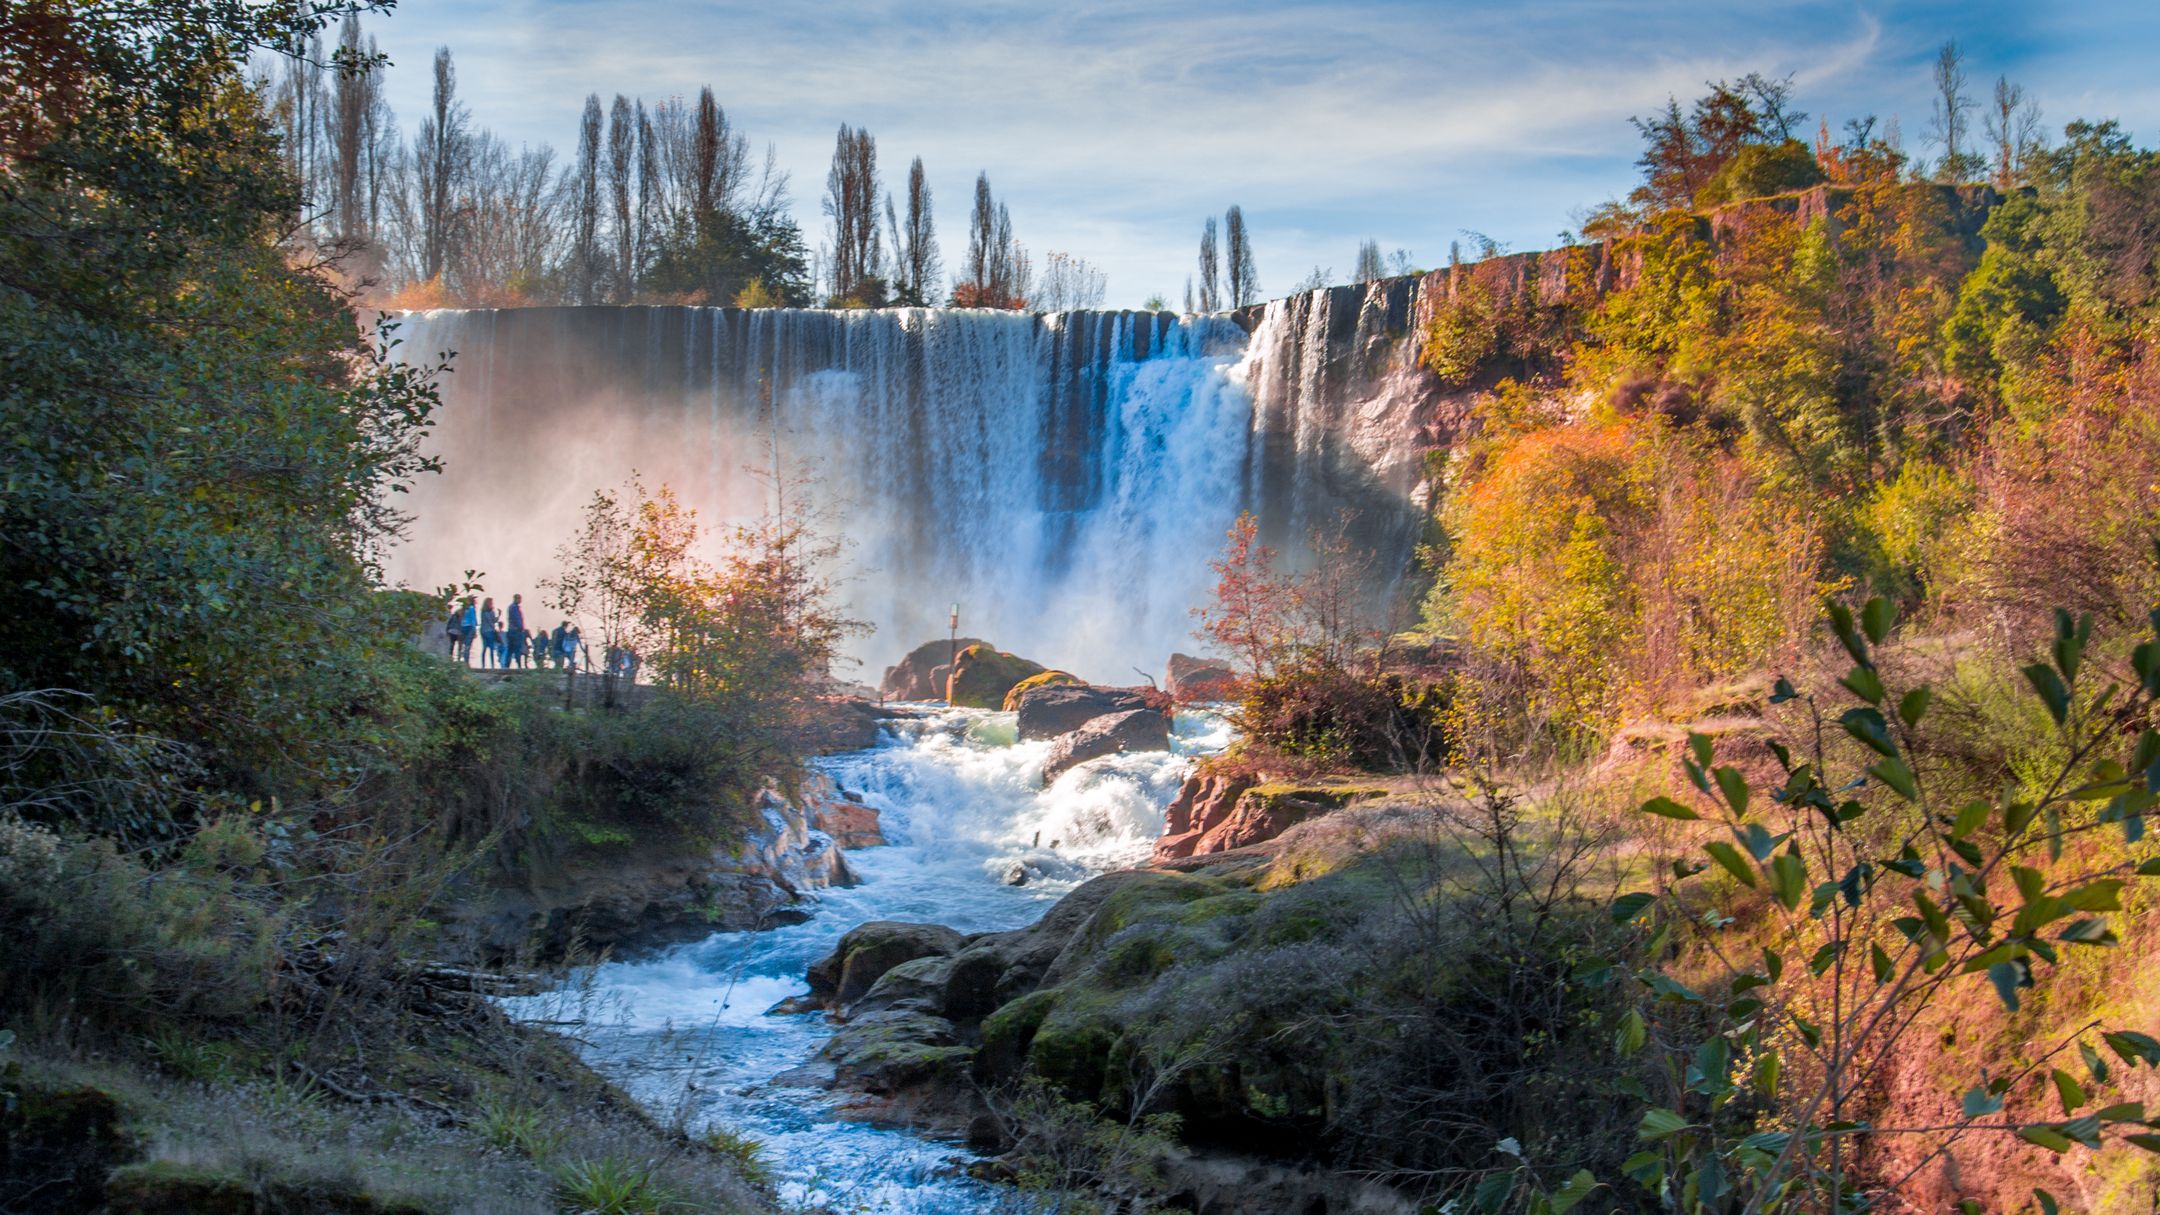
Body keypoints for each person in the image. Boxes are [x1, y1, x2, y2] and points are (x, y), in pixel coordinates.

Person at [479, 597, 502, 669]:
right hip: (489, 631)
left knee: (484, 648)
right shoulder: (490, 612)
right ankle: (492, 665)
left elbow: (492, 621)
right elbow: (493, 621)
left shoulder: (483, 611)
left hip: (483, 631)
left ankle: (483, 665)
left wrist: (498, 615)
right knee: (491, 648)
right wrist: (499, 615)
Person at [456, 596, 479, 665]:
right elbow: (473, 620)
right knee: (467, 645)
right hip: (470, 627)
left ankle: (458, 660)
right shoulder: (472, 608)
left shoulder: (463, 609)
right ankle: (466, 662)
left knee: (461, 645)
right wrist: (475, 630)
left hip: (462, 627)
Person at [506, 594, 526, 668]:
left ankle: (507, 665)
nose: (520, 600)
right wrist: (521, 627)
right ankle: (519, 665)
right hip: (516, 631)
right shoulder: (515, 608)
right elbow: (517, 619)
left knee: (510, 649)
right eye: (519, 599)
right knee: (517, 648)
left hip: (510, 630)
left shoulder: (511, 607)